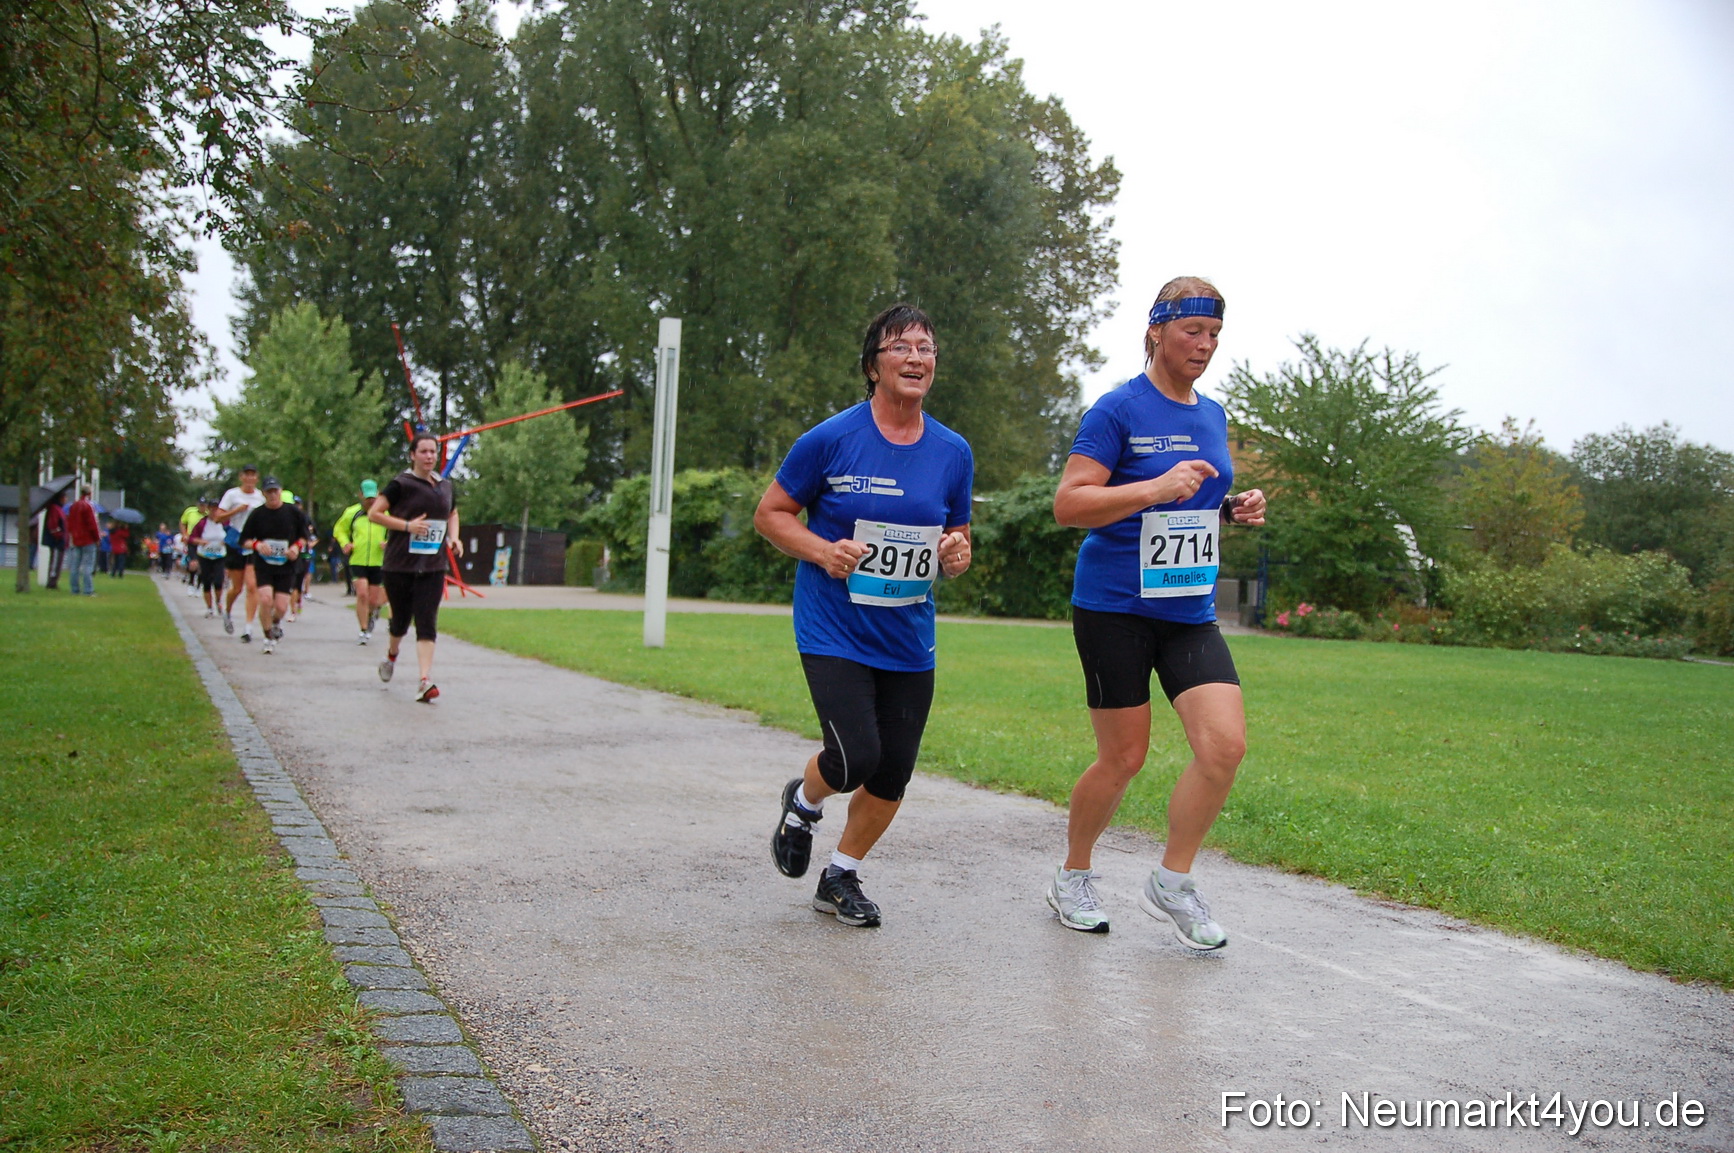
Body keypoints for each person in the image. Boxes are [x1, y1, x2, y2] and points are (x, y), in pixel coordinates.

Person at [1046, 276, 1267, 950]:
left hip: (1187, 605)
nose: (1204, 346)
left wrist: (1231, 509)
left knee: (1224, 746)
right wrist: (1152, 487)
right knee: (1123, 757)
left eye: (1214, 336)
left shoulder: (1213, 414)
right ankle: (1073, 875)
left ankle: (1172, 881)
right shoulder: (1117, 410)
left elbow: (1191, 501)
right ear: (1156, 330)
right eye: (1192, 332)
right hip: (1114, 604)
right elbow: (1069, 503)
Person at [753, 303, 974, 928]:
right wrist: (824, 552)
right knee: (854, 757)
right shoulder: (829, 439)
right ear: (873, 365)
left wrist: (955, 556)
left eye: (926, 347)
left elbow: (956, 540)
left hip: (908, 632)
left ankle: (840, 875)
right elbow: (771, 514)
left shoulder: (952, 452)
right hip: (833, 626)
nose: (915, 358)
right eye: (900, 346)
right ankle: (804, 802)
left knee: (894, 771)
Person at [369, 434, 463, 702]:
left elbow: (452, 513)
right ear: (413, 455)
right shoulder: (401, 484)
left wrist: (454, 538)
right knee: (400, 621)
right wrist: (408, 526)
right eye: (423, 451)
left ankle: (424, 680)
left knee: (426, 620)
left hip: (433, 566)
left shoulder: (444, 486)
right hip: (399, 565)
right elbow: (375, 513)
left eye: (433, 451)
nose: (429, 457)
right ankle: (391, 654)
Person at [241, 478, 308, 655]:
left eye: (275, 491)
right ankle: (267, 636)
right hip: (264, 564)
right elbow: (244, 540)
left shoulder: (293, 512)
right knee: (265, 599)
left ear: (280, 491)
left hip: (286, 565)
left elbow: (305, 537)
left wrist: (296, 547)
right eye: (268, 492)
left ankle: (276, 622)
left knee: (280, 606)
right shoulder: (257, 514)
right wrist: (257, 545)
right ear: (263, 493)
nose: (272, 495)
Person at [212, 466, 267, 642]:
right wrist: (237, 510)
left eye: (253, 475)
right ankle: (227, 611)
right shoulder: (232, 495)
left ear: (257, 478)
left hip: (252, 543)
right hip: (235, 541)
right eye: (247, 475)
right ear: (241, 477)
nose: (250, 479)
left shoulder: (260, 497)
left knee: (252, 586)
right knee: (237, 588)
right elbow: (218, 518)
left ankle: (248, 628)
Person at [334, 479, 388, 644]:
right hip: (358, 558)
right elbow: (339, 529)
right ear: (360, 496)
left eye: (373, 497)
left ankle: (372, 614)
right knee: (362, 594)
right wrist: (345, 543)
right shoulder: (352, 513)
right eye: (367, 498)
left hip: (378, 560)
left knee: (374, 600)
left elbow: (396, 531)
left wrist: (389, 543)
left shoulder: (385, 513)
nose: (370, 501)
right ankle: (363, 630)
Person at [189, 499, 229, 616]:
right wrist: (200, 541)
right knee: (206, 581)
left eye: (216, 509)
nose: (214, 511)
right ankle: (209, 608)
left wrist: (226, 541)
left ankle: (218, 601)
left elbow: (232, 536)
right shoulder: (202, 523)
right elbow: (192, 538)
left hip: (220, 555)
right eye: (211, 508)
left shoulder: (224, 523)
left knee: (218, 580)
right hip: (205, 555)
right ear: (208, 509)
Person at [65, 487, 100, 596]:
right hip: (88, 539)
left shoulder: (73, 506)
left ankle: (74, 589)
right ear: (90, 493)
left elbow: (70, 523)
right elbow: (92, 524)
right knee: (87, 565)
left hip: (76, 539)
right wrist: (97, 538)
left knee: (75, 565)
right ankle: (88, 590)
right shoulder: (89, 505)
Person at [42, 491, 67, 590]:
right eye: (65, 497)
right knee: (56, 561)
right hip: (56, 541)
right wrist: (59, 535)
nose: (66, 499)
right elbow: (53, 524)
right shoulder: (55, 509)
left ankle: (53, 581)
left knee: (57, 561)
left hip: (58, 540)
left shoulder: (58, 508)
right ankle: (52, 582)